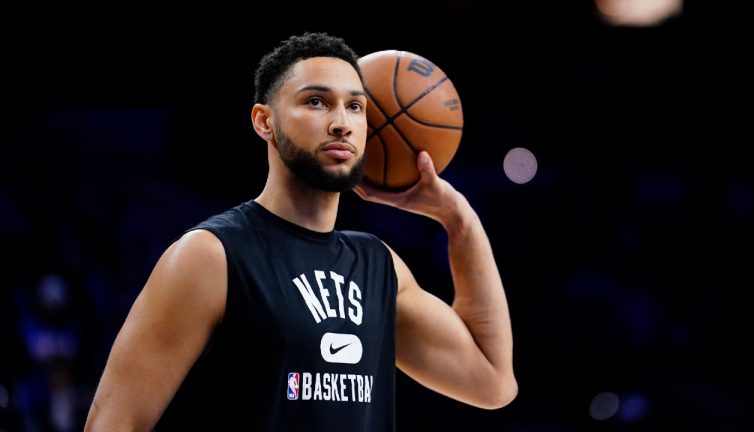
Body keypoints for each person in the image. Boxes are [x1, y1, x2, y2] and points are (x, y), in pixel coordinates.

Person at [84, 32, 517, 431]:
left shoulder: (378, 266)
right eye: (316, 102)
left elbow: (492, 381)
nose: (341, 122)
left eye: (355, 106)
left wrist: (459, 220)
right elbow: (113, 423)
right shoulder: (212, 255)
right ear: (264, 121)